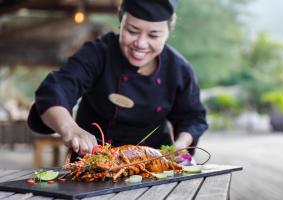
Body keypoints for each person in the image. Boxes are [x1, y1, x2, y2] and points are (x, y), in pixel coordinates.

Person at [27, 0, 208, 160]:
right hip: (93, 159)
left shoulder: (179, 69)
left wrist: (181, 144)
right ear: (121, 23)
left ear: (168, 33)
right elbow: (56, 89)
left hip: (152, 164)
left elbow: (192, 117)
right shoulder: (98, 53)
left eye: (153, 35)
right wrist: (70, 129)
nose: (141, 44)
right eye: (132, 31)